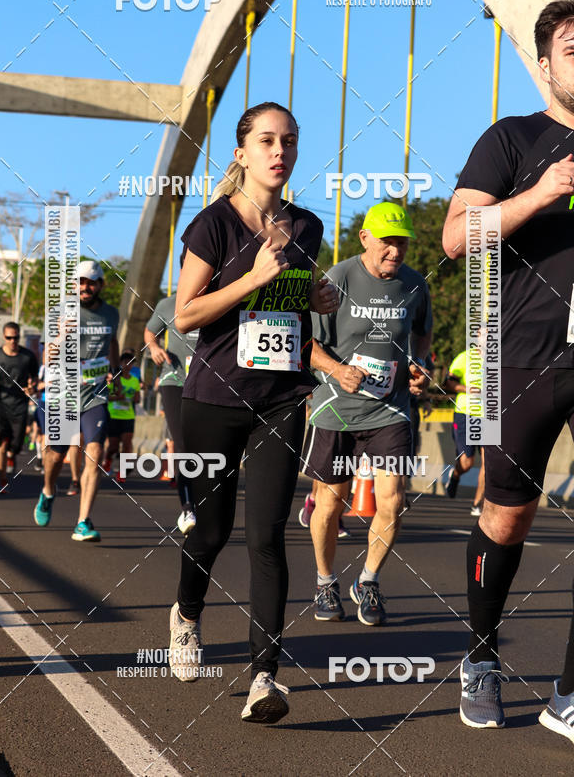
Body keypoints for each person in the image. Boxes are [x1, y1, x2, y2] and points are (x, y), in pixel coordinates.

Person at [169, 101, 335, 724]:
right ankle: (187, 615)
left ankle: (265, 676)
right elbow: (185, 315)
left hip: (282, 400)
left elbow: (289, 309)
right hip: (213, 397)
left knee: (267, 537)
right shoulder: (214, 225)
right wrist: (250, 277)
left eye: (288, 141)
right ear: (241, 152)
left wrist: (317, 296)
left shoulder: (308, 227)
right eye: (266, 140)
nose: (279, 151)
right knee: (209, 533)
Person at [442, 0, 574, 738]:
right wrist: (543, 192)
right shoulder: (512, 139)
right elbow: (459, 238)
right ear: (545, 61)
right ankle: (481, 657)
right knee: (508, 516)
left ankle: (568, 695)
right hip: (517, 359)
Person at [301, 202, 432, 625]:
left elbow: (422, 334)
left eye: (402, 243)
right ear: (365, 239)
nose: (395, 251)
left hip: (391, 411)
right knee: (330, 502)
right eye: (387, 242)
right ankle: (325, 582)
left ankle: (369, 581)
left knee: (392, 500)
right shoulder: (337, 279)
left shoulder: (414, 285)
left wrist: (419, 365)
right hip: (336, 409)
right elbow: (307, 344)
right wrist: (338, 370)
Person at [34, 260, 120, 541]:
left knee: (94, 451)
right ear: (73, 285)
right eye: (81, 282)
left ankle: (83, 521)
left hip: (95, 393)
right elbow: (47, 357)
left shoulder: (111, 314)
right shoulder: (58, 312)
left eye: (92, 282)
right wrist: (60, 335)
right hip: (62, 392)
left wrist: (114, 371)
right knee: (56, 455)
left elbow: (112, 342)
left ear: (100, 285)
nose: (86, 287)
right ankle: (48, 491)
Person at [145, 285, 199, 533]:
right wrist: (154, 348)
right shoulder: (168, 305)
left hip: (207, 384)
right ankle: (188, 507)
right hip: (174, 381)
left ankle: (204, 503)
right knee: (183, 444)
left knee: (207, 446)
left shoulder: (220, 299)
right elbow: (149, 331)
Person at [0, 322, 38, 492]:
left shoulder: (28, 356)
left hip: (20, 406)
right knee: (1, 444)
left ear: (19, 337)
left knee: (16, 444)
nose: (12, 341)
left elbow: (35, 379)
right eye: (9, 337)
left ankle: (12, 455)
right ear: (4, 337)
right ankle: (2, 480)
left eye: (16, 337)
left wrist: (32, 388)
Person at [445, 348, 486, 514]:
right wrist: (467, 389)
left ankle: (478, 504)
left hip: (489, 416)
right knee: (466, 463)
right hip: (465, 414)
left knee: (488, 462)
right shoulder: (464, 357)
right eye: (484, 335)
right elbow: (448, 382)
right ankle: (455, 476)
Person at [103, 350, 140, 483]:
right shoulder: (115, 379)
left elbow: (137, 398)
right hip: (114, 415)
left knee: (126, 445)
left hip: (128, 416)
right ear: (120, 363)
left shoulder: (135, 381)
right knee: (113, 447)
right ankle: (107, 460)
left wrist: (136, 397)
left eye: (130, 363)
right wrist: (120, 396)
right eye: (125, 362)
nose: (128, 365)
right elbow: (110, 397)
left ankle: (121, 473)